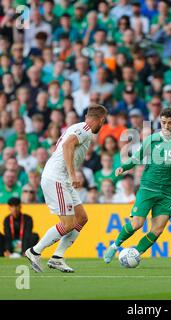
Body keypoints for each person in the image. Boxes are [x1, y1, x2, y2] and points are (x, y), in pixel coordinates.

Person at [104, 108, 171, 262]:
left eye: (170, 123)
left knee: (158, 229)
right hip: (148, 188)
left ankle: (135, 253)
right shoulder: (152, 139)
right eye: (163, 122)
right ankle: (114, 246)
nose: (166, 126)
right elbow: (136, 157)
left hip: (167, 192)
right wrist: (124, 167)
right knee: (137, 224)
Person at [25, 104, 108, 273]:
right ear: (101, 120)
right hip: (57, 177)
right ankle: (34, 251)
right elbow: (67, 146)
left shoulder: (78, 127)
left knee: (82, 218)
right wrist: (72, 174)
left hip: (61, 179)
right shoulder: (85, 129)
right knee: (68, 223)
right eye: (103, 122)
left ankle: (57, 258)